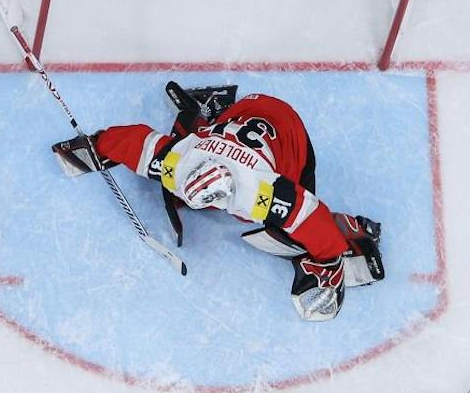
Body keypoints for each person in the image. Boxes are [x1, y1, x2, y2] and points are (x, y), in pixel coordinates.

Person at [52, 83, 384, 320]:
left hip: (287, 129)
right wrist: (99, 144)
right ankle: (201, 112)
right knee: (195, 144)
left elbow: (311, 215)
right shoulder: (178, 164)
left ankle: (352, 228)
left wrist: (329, 261)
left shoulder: (260, 193)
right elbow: (136, 143)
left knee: (294, 223)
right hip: (241, 115)